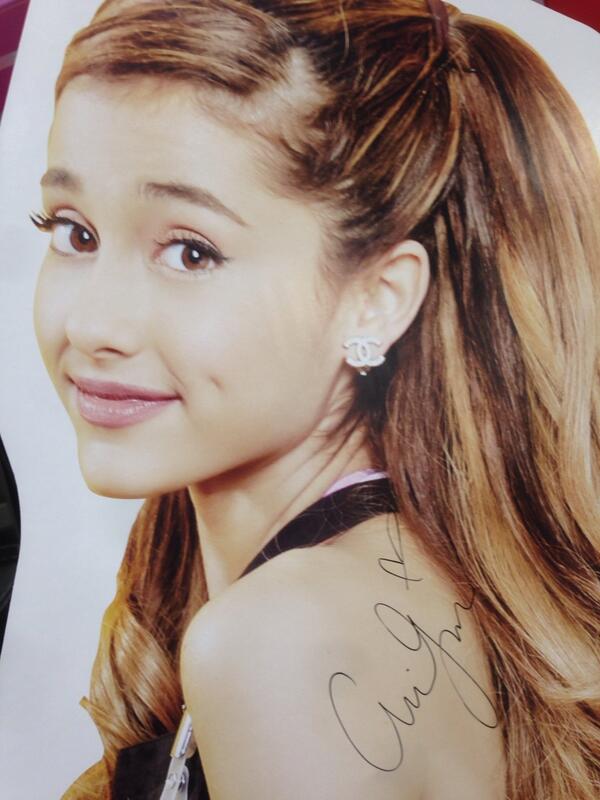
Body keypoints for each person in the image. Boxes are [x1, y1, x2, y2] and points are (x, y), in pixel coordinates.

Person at [31, 0, 599, 798]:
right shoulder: (401, 581)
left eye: (190, 252)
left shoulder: (281, 640)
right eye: (75, 232)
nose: (92, 325)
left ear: (375, 299)